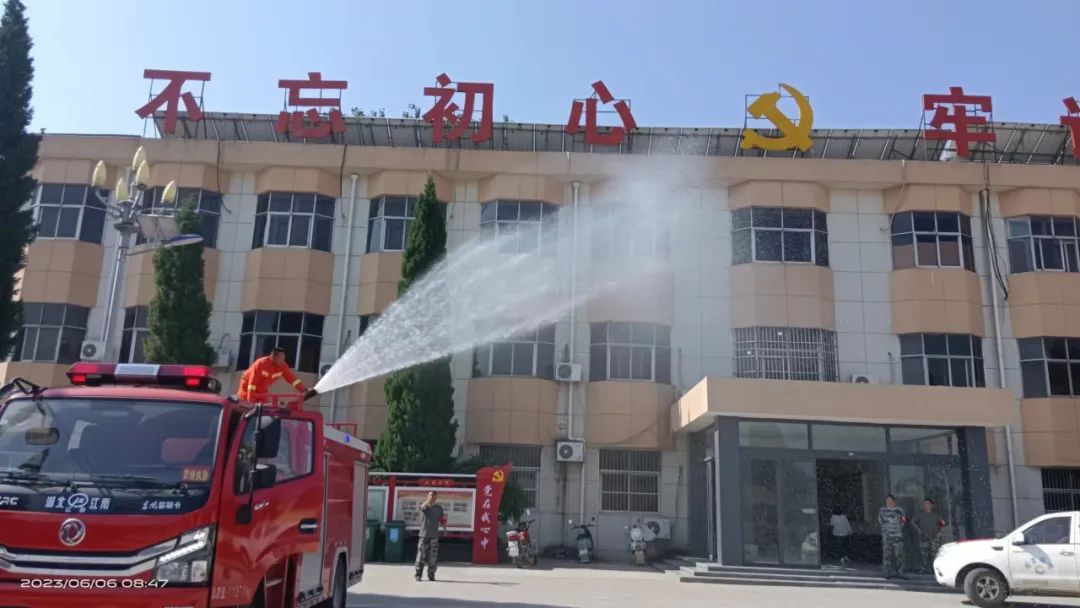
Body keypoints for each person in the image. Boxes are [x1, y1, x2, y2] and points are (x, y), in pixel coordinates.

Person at [237, 347, 317, 406]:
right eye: (281, 358)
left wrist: (304, 390)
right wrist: (250, 403)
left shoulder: (283, 366)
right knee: (245, 407)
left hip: (262, 390)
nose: (283, 360)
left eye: (284, 358)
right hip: (246, 388)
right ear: (273, 357)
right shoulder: (261, 364)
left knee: (262, 410)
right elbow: (252, 384)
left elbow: (293, 379)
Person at [415, 491, 446, 582]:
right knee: (421, 555)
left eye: (433, 495)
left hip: (434, 535)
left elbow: (442, 519)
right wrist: (428, 501)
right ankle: (418, 574)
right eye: (430, 495)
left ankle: (431, 574)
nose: (432, 497)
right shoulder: (425, 506)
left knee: (433, 556)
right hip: (424, 535)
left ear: (436, 497)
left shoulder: (439, 508)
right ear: (427, 496)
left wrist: (445, 529)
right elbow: (422, 507)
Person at [878, 494, 907, 579]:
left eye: (890, 500)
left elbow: (903, 521)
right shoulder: (883, 511)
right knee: (887, 556)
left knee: (899, 555)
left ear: (894, 501)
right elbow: (881, 521)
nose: (889, 502)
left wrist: (897, 528)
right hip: (887, 536)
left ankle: (900, 572)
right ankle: (887, 572)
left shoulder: (899, 511)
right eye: (887, 500)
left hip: (897, 536)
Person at [913, 498, 945, 574]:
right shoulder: (920, 514)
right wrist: (919, 530)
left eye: (928, 504)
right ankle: (925, 569)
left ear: (932, 505)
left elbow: (943, 524)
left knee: (934, 554)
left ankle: (935, 569)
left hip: (934, 537)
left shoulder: (936, 515)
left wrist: (940, 532)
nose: (926, 505)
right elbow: (913, 522)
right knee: (924, 554)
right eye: (924, 504)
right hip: (924, 537)